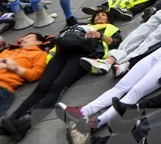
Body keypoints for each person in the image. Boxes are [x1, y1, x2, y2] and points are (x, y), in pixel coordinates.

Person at [55, 25, 161, 132]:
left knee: (135, 92)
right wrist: (132, 61)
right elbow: (159, 43)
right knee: (120, 87)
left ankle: (97, 122)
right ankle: (83, 111)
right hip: (160, 52)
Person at [0, 10, 121, 141]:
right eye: (97, 15)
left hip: (82, 54)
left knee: (57, 86)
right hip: (61, 53)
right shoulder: (79, 25)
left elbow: (115, 42)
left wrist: (100, 35)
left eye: (103, 15)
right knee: (42, 87)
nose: (99, 16)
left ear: (108, 20)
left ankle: (27, 120)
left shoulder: (110, 28)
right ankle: (14, 118)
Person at [0, 33, 47, 117]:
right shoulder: (8, 50)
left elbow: (35, 74)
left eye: (29, 37)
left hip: (3, 87)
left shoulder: (39, 54)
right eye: (23, 37)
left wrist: (16, 68)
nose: (24, 39)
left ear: (38, 42)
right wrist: (5, 61)